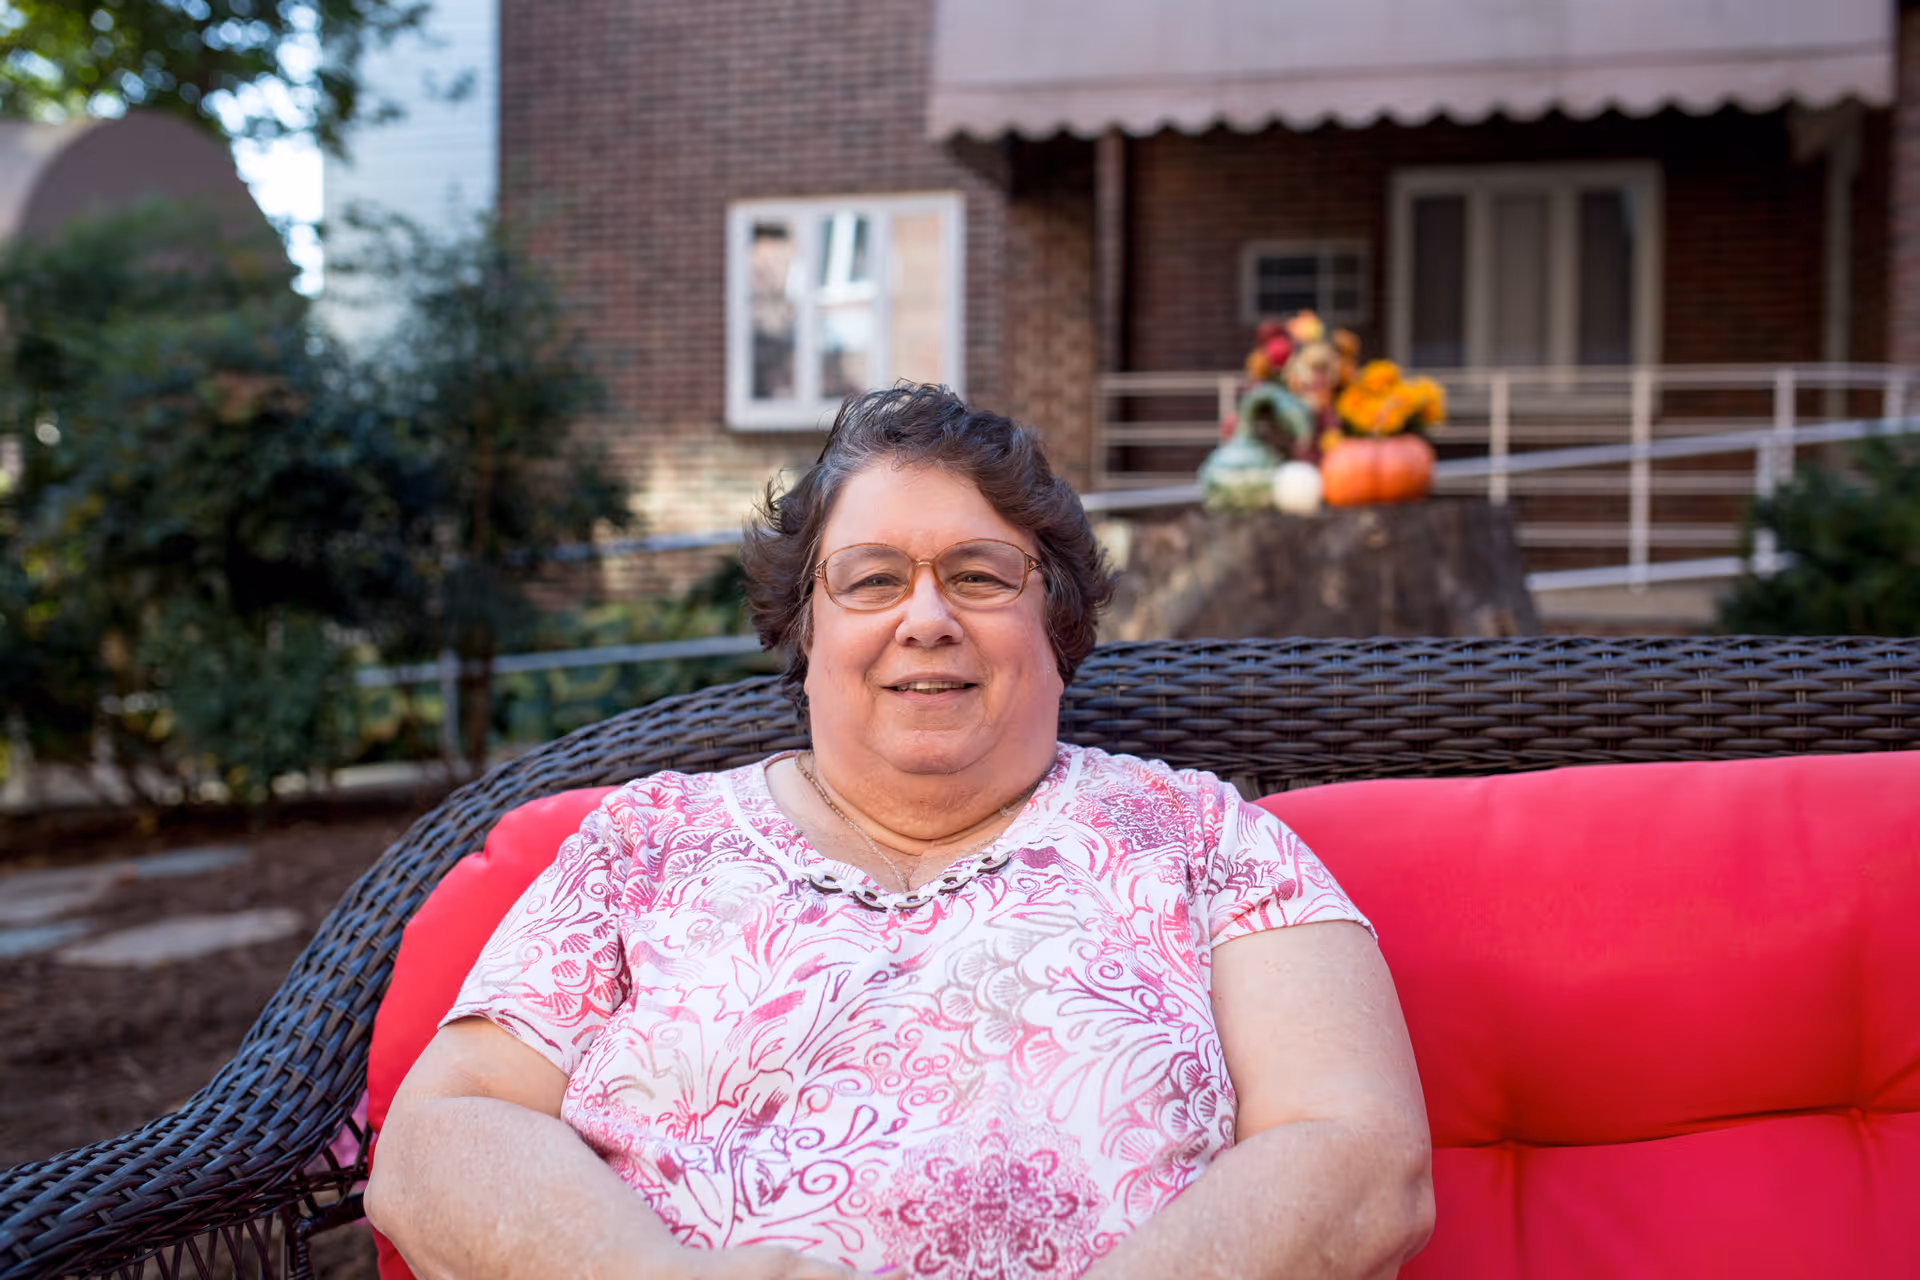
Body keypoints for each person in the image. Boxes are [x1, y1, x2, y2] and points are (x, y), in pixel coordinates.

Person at [366, 385, 1434, 1280]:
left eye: (979, 574)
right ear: (806, 626)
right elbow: (437, 1139)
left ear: (1056, 620)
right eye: (873, 579)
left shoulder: (1205, 839)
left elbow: (1360, 1154)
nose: (926, 618)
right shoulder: (643, 844)